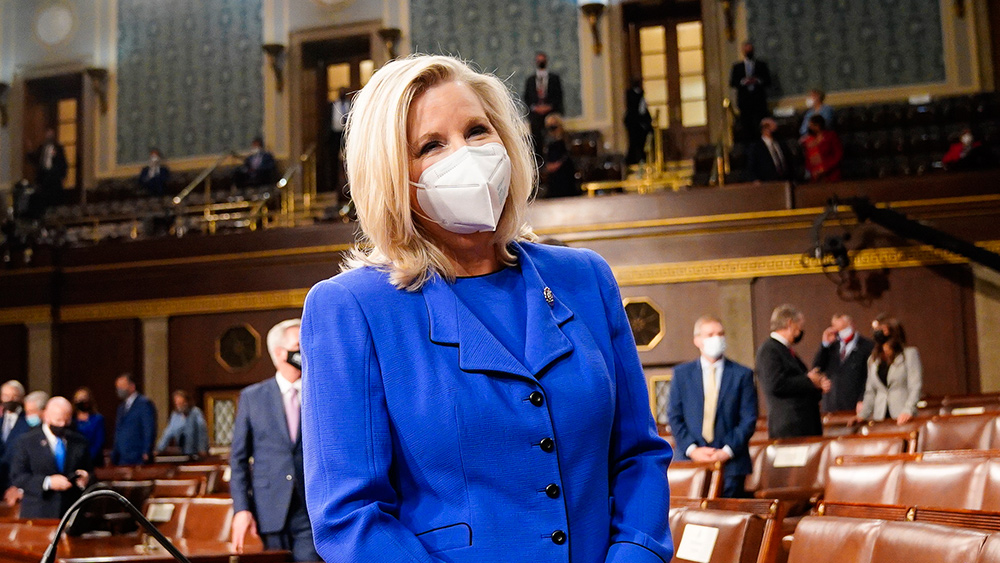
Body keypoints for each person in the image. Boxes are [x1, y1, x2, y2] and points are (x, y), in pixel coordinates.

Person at [300, 55, 672, 563]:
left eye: (477, 130)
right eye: (431, 145)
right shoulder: (350, 308)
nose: (467, 154)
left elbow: (638, 455)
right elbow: (350, 517)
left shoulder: (585, 277)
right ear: (392, 177)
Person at [230, 319, 317, 562]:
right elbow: (238, 460)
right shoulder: (252, 397)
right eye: (298, 345)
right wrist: (241, 509)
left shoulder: (319, 393)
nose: (304, 351)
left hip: (309, 509)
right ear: (279, 353)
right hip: (268, 509)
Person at [668, 316, 757, 498]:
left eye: (720, 334)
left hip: (731, 464)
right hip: (690, 463)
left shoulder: (742, 374)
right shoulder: (682, 374)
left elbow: (748, 419)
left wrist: (726, 452)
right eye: (710, 334)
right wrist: (693, 449)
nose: (717, 338)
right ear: (697, 340)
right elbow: (674, 416)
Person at [756, 304, 831, 438]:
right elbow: (775, 384)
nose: (801, 330)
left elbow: (798, 382)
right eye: (800, 325)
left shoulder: (785, 350)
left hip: (803, 426)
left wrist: (817, 385)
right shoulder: (769, 350)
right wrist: (809, 381)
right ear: (790, 323)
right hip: (789, 428)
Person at [10, 397, 92, 519]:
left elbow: (91, 471)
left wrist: (86, 478)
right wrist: (48, 482)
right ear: (46, 416)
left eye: (66, 420)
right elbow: (18, 476)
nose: (62, 424)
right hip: (38, 512)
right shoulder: (26, 442)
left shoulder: (79, 441)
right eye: (58, 420)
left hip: (70, 512)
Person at [858, 317, 922, 424]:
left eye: (882, 329)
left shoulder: (909, 354)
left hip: (902, 415)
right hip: (880, 416)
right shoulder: (873, 360)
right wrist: (862, 415)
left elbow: (915, 386)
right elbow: (870, 391)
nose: (878, 333)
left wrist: (908, 410)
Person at [813, 314, 874, 414]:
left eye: (843, 328)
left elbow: (869, 376)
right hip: (831, 404)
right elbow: (817, 368)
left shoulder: (867, 346)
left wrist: (863, 398)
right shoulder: (831, 346)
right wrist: (825, 345)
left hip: (854, 403)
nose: (841, 333)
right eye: (837, 330)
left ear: (852, 325)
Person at [523, 51, 564, 158]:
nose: (541, 62)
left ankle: (554, 156)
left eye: (542, 60)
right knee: (535, 131)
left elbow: (558, 96)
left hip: (551, 112)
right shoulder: (530, 80)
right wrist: (535, 107)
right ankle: (538, 157)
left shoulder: (554, 78)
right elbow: (527, 97)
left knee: (553, 128)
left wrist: (549, 107)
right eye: (539, 60)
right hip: (536, 113)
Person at [729, 42, 771, 142]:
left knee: (760, 128)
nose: (749, 52)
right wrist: (743, 82)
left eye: (750, 50)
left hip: (759, 102)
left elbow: (768, 81)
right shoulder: (737, 67)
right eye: (747, 50)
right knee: (747, 129)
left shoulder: (761, 65)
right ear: (743, 51)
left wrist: (757, 80)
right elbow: (732, 82)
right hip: (745, 103)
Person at [111, 374, 157, 465]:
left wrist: (146, 451)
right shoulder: (121, 407)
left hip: (138, 456)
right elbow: (118, 431)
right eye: (118, 387)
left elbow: (148, 428)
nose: (119, 390)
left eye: (122, 386)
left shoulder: (144, 404)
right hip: (122, 457)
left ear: (132, 386)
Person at [156, 390, 208, 458]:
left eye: (181, 403)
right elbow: (168, 433)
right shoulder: (175, 415)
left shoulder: (196, 413)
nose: (179, 406)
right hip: (182, 451)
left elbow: (202, 432)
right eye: (177, 403)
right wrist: (159, 449)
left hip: (195, 451)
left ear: (186, 402)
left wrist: (202, 449)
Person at [30, 129, 68, 217]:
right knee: (43, 199)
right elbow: (36, 159)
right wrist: (30, 152)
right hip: (43, 177)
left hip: (54, 177)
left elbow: (63, 163)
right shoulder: (42, 147)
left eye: (50, 135)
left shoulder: (58, 148)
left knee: (55, 200)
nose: (49, 137)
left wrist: (63, 176)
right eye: (47, 135)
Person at [0, 381, 28, 494]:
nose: (9, 400)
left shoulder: (28, 421)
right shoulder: (1, 420)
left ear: (21, 398)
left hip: (17, 483)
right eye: (6, 396)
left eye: (14, 396)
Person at [541, 113, 579, 198]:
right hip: (551, 167)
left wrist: (558, 164)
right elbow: (545, 153)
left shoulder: (565, 136)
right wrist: (548, 165)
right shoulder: (546, 138)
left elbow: (568, 153)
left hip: (564, 166)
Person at [747, 118, 793, 182]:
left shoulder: (781, 144)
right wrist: (756, 180)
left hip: (785, 181)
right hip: (767, 182)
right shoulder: (756, 147)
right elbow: (751, 166)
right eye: (772, 128)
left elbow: (788, 162)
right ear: (765, 129)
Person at [800, 115, 843, 182]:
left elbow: (838, 155)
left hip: (831, 175)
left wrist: (825, 168)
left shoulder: (831, 136)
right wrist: (814, 171)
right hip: (816, 177)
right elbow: (807, 159)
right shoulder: (809, 140)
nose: (809, 127)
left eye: (811, 125)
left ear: (818, 126)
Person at [72, 387, 105, 467]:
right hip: (75, 460)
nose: (81, 401)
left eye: (84, 398)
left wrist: (88, 458)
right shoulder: (71, 420)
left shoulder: (97, 419)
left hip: (93, 460)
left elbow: (99, 441)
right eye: (78, 399)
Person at [624, 78, 653, 165]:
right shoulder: (638, 95)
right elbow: (641, 110)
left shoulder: (630, 94)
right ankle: (638, 159)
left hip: (634, 122)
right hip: (636, 123)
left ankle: (636, 159)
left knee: (635, 143)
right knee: (637, 143)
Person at [330, 87, 351, 198]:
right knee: (335, 162)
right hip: (336, 137)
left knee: (348, 161)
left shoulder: (351, 104)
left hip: (349, 136)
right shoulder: (333, 105)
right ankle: (335, 186)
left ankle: (349, 185)